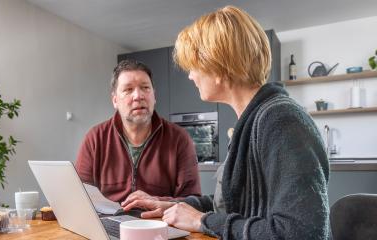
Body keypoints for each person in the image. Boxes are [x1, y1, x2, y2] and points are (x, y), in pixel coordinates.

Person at [121, 6, 330, 240]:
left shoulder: (281, 120)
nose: (190, 76)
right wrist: (170, 205)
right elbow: (231, 205)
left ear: (217, 65)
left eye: (193, 65)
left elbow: (300, 233)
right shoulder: (253, 121)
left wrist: (202, 221)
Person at [75, 59, 201, 203]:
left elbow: (193, 201)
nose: (138, 96)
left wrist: (156, 202)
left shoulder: (179, 138)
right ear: (115, 100)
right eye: (128, 90)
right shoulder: (95, 138)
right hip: (109, 222)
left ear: (154, 96)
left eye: (145, 87)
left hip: (160, 222)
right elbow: (81, 196)